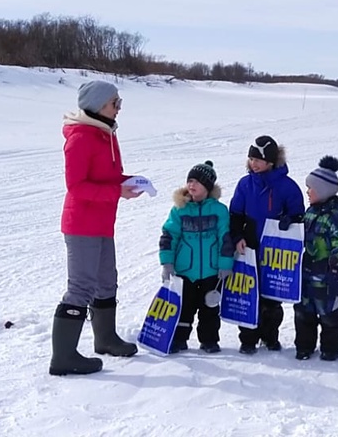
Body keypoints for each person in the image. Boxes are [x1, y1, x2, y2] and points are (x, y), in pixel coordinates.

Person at [49, 80, 142, 377]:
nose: (119, 108)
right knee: (81, 287)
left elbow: (105, 177)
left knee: (106, 282)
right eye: (115, 103)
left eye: (119, 103)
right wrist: (117, 192)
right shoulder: (81, 138)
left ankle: (105, 339)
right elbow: (76, 186)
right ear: (99, 105)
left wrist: (127, 182)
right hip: (82, 225)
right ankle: (63, 357)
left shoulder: (105, 134)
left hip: (103, 222)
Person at [229, 135, 305, 354]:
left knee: (272, 299)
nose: (253, 163)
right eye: (251, 158)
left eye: (258, 160)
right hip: (250, 246)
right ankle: (248, 339)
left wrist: (290, 220)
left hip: (276, 252)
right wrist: (237, 237)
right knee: (247, 294)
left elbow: (298, 214)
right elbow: (235, 214)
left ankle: (270, 336)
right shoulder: (245, 184)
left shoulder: (287, 186)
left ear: (271, 162)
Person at [158, 161, 233, 354]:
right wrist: (167, 263)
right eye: (189, 180)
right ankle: (179, 339)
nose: (192, 185)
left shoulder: (219, 210)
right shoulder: (179, 210)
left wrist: (225, 264)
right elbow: (169, 236)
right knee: (184, 307)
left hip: (211, 270)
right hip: (185, 270)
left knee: (209, 307)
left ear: (207, 187)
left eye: (197, 182)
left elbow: (225, 238)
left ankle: (209, 340)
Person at [294, 156, 338, 362]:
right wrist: (290, 224)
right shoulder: (310, 212)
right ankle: (304, 346)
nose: (308, 192)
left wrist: (335, 268)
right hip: (307, 272)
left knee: (329, 313)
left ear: (323, 190)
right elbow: (301, 230)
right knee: (304, 310)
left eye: (311, 188)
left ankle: (330, 348)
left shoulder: (336, 216)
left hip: (327, 275)